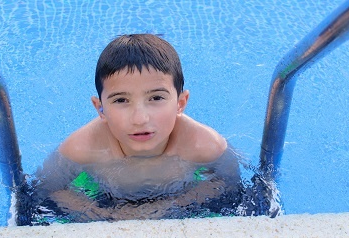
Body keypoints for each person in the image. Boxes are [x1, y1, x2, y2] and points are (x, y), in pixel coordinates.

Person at [16, 34, 246, 225]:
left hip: (180, 202)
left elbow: (228, 184)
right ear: (100, 108)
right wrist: (100, 214)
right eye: (121, 100)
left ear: (180, 103)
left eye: (156, 98)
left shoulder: (203, 145)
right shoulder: (82, 148)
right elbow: (47, 190)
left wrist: (175, 206)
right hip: (105, 203)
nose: (140, 118)